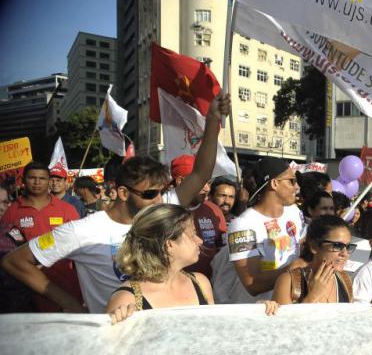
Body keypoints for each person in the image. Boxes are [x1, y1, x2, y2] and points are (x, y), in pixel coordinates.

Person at [1, 93, 230, 313]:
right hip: (113, 339)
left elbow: (200, 173)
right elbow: (15, 261)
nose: (161, 200)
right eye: (151, 193)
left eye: (162, 192)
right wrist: (69, 303)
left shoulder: (159, 212)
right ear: (122, 193)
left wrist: (211, 120)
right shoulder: (83, 230)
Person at [105, 204, 214, 322]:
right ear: (169, 244)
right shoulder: (127, 299)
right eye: (192, 234)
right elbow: (114, 340)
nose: (200, 241)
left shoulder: (200, 283)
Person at [1, 161, 82, 311]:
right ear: (23, 180)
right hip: (26, 290)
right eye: (32, 177)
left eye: (42, 178)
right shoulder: (12, 211)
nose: (37, 182)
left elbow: (81, 249)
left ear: (49, 181)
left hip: (65, 287)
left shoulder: (67, 210)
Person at [226, 156, 304, 300]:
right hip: (256, 312)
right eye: (292, 181)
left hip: (288, 306)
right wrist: (295, 268)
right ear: (274, 183)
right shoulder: (241, 225)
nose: (297, 186)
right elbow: (252, 285)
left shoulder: (295, 212)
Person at [272, 215, 354, 305]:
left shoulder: (345, 280)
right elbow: (285, 319)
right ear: (314, 247)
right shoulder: (288, 281)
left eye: (348, 247)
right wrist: (313, 296)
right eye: (337, 246)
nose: (345, 254)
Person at [169, 155, 227, 279]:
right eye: (201, 182)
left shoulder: (214, 210)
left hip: (208, 287)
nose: (207, 188)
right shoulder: (164, 212)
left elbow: (223, 252)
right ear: (180, 181)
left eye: (209, 182)